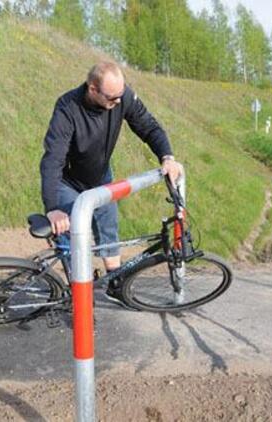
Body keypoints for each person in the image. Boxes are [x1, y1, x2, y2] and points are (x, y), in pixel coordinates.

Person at [40, 61, 182, 306]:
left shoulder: (121, 96)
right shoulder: (68, 107)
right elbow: (52, 158)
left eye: (120, 95)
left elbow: (149, 127)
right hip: (68, 182)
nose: (118, 102)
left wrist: (167, 157)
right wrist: (52, 207)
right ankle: (78, 296)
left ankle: (114, 284)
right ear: (92, 89)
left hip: (100, 177)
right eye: (111, 98)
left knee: (109, 228)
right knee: (73, 236)